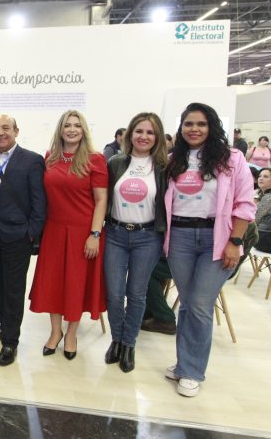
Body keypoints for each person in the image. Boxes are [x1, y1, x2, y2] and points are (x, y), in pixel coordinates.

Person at [164, 102, 255, 397]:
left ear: (212, 127)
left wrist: (236, 241)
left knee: (201, 304)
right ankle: (182, 364)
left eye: (201, 124)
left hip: (216, 239)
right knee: (188, 302)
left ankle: (192, 371)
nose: (194, 129)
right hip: (178, 236)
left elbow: (244, 203)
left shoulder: (232, 159)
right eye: (188, 124)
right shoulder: (173, 159)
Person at [29, 110, 108, 360]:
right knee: (53, 283)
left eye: (77, 125)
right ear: (60, 130)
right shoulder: (50, 158)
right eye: (67, 125)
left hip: (83, 231)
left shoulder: (95, 160)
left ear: (84, 130)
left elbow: (101, 199)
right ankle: (55, 332)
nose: (72, 129)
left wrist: (95, 233)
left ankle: (71, 334)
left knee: (75, 284)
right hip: (53, 230)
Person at [103, 112, 168, 372]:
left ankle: (129, 344)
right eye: (139, 131)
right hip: (116, 234)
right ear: (129, 134)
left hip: (148, 237)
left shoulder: (164, 167)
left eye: (150, 132)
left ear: (157, 137)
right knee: (115, 294)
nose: (143, 136)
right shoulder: (116, 163)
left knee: (137, 294)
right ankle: (116, 339)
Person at [0, 114, 46, 366]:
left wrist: (31, 233)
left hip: (18, 236)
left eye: (6, 128)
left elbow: (39, 203)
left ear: (16, 131)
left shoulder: (31, 160)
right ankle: (3, 326)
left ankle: (10, 342)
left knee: (14, 290)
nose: (1, 132)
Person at [140, 257, 177, 335]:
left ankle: (165, 318)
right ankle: (150, 310)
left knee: (142, 268)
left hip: (186, 257)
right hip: (169, 256)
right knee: (142, 262)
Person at [255, 168, 271, 252]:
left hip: (265, 239)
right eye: (259, 176)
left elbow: (255, 220)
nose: (261, 178)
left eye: (265, 176)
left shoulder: (268, 197)